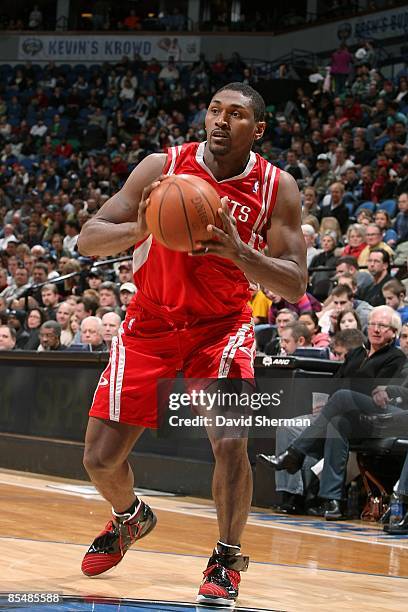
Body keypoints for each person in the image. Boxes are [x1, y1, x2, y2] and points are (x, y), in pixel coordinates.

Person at [76, 82, 307, 607]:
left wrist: (238, 251)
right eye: (214, 111)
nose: (222, 121)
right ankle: (130, 518)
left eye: (237, 115)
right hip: (150, 324)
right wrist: (141, 227)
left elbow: (294, 283)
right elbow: (87, 237)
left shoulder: (278, 187)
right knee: (99, 460)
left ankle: (226, 561)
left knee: (230, 441)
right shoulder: (163, 167)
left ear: (259, 129)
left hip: (221, 328)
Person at [265, 306, 406, 520]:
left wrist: (341, 397)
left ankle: (295, 454)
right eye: (373, 324)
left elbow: (378, 392)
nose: (376, 329)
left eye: (383, 326)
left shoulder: (395, 358)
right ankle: (329, 501)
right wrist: (329, 402)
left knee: (341, 398)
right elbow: (336, 382)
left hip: (374, 415)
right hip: (343, 414)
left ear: (393, 332)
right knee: (333, 423)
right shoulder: (357, 353)